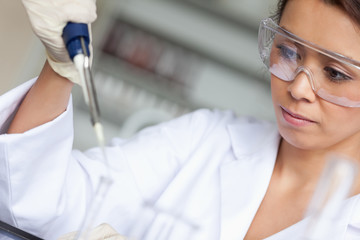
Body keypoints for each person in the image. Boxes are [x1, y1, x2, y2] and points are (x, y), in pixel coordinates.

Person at [1, 0, 360, 239]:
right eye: (288, 51)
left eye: (335, 74)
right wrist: (62, 65)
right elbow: (32, 206)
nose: (298, 87)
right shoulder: (205, 140)